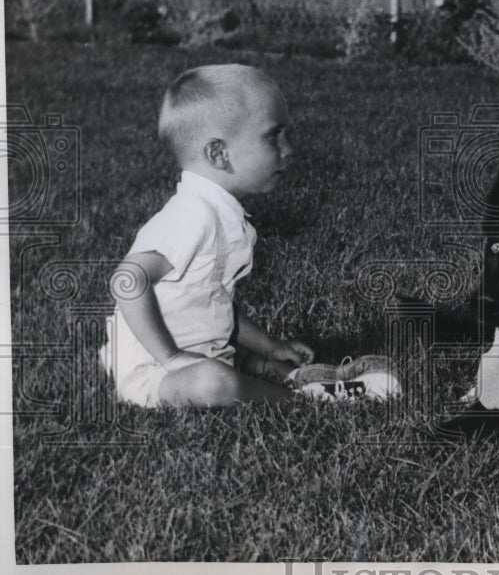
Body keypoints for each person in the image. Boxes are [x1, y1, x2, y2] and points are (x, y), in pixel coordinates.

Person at [102, 64, 395, 407]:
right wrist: (171, 358)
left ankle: (278, 370)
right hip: (153, 371)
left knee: (235, 362)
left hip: (200, 348)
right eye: (273, 135)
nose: (289, 149)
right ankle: (305, 399)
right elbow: (127, 279)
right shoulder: (192, 217)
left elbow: (214, 302)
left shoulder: (218, 212)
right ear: (218, 153)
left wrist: (269, 343)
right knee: (214, 383)